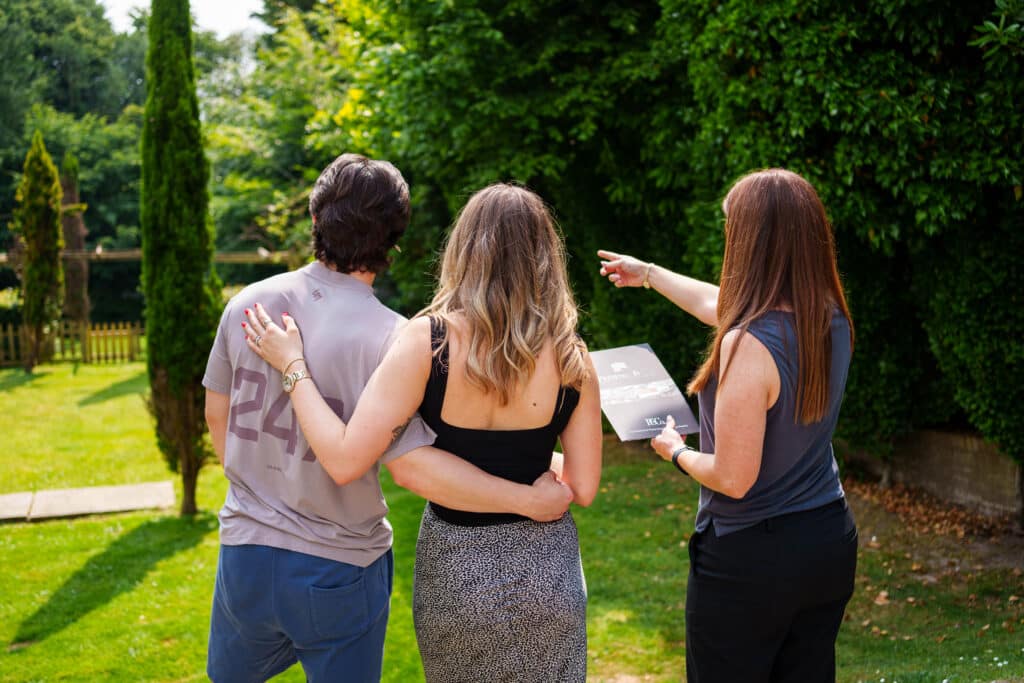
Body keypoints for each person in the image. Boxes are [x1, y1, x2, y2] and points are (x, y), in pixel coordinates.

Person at [202, 155, 574, 683]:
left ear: (315, 220)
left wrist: (259, 492)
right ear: (394, 239)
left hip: (243, 553)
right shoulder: (395, 337)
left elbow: (217, 411)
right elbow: (412, 460)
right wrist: (525, 489)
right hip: (338, 564)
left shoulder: (247, 303)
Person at [598, 168, 858, 683]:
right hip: (827, 539)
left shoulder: (749, 343)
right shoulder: (830, 319)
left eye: (731, 228)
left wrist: (675, 450)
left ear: (755, 241)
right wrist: (648, 273)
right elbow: (717, 304)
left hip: (752, 558)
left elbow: (734, 477)